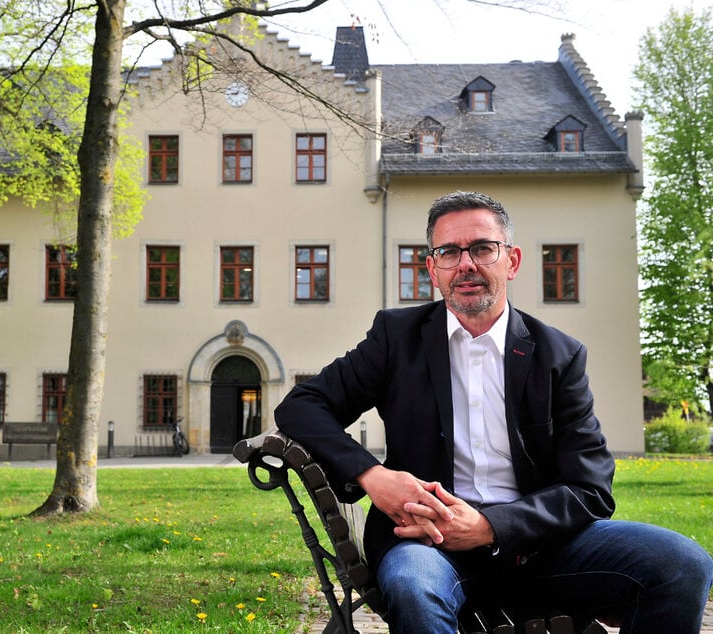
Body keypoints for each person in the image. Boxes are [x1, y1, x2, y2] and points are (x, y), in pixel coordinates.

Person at [274, 191, 713, 633]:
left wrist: (489, 526)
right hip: (428, 543)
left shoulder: (557, 355)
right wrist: (374, 477)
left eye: (483, 248)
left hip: (539, 549)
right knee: (414, 587)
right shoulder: (396, 338)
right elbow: (302, 405)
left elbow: (591, 488)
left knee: (682, 563)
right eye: (448, 251)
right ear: (433, 268)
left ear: (512, 261)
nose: (466, 264)